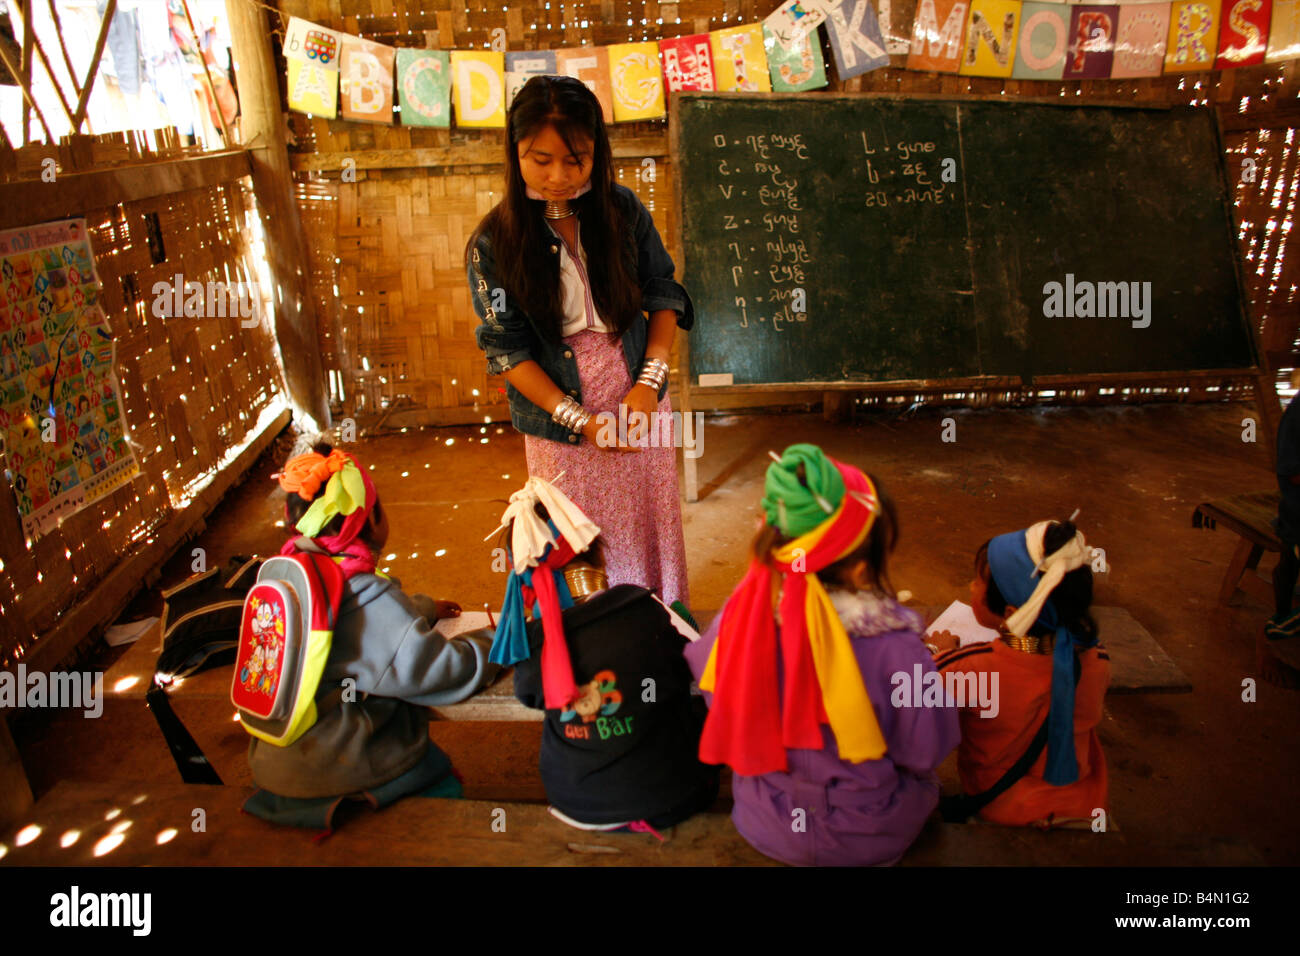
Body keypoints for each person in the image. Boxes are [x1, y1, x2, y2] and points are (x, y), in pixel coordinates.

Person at [466, 74, 694, 608]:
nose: (559, 176)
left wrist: (649, 384)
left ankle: (657, 633)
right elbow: (508, 351)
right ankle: (592, 649)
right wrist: (582, 421)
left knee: (649, 522)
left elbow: (663, 292)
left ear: (597, 153)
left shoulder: (623, 210)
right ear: (514, 151)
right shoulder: (493, 244)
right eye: (539, 159)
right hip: (559, 418)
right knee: (576, 537)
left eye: (576, 160)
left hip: (638, 396)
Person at [683, 444, 959, 866]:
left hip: (766, 820)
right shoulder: (898, 649)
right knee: (926, 787)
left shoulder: (736, 622)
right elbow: (925, 752)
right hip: (870, 833)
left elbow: (717, 699)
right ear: (863, 569)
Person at [242, 444, 498, 831]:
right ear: (369, 518)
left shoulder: (289, 576)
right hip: (340, 770)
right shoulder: (365, 595)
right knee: (444, 793)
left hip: (276, 762)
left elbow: (357, 623)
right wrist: (497, 641)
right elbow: (437, 672)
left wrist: (422, 608)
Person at [487, 476, 718, 832]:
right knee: (695, 706)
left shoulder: (534, 643)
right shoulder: (641, 608)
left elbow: (529, 693)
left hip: (577, 804)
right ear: (594, 548)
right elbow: (683, 665)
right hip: (675, 796)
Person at [932, 519, 1110, 828]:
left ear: (1012, 615)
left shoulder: (973, 669)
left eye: (978, 581)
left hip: (1005, 805)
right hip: (1084, 800)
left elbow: (911, 695)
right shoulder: (1097, 658)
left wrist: (938, 652)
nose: (971, 587)